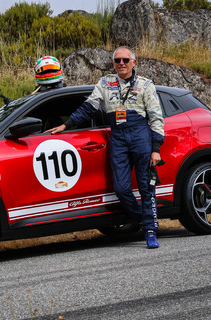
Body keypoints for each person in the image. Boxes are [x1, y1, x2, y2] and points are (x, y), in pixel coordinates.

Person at [45, 46, 165, 249]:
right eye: (117, 60)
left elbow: (156, 118)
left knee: (146, 186)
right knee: (121, 188)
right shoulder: (105, 82)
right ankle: (143, 219)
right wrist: (66, 125)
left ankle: (150, 232)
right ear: (113, 63)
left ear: (134, 62)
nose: (121, 63)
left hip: (140, 135)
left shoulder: (146, 85)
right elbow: (88, 107)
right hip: (117, 136)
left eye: (125, 60)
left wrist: (156, 148)